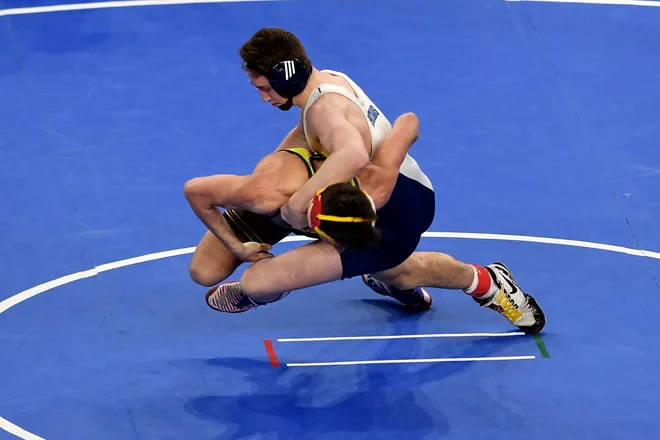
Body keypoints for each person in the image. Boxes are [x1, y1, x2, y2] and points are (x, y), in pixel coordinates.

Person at [185, 113, 546, 334]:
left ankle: (486, 282)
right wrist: (237, 247)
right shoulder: (267, 192)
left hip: (375, 222)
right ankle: (385, 278)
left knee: (261, 283)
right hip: (288, 201)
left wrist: (387, 149)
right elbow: (196, 191)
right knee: (203, 270)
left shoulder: (377, 184)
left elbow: (410, 123)